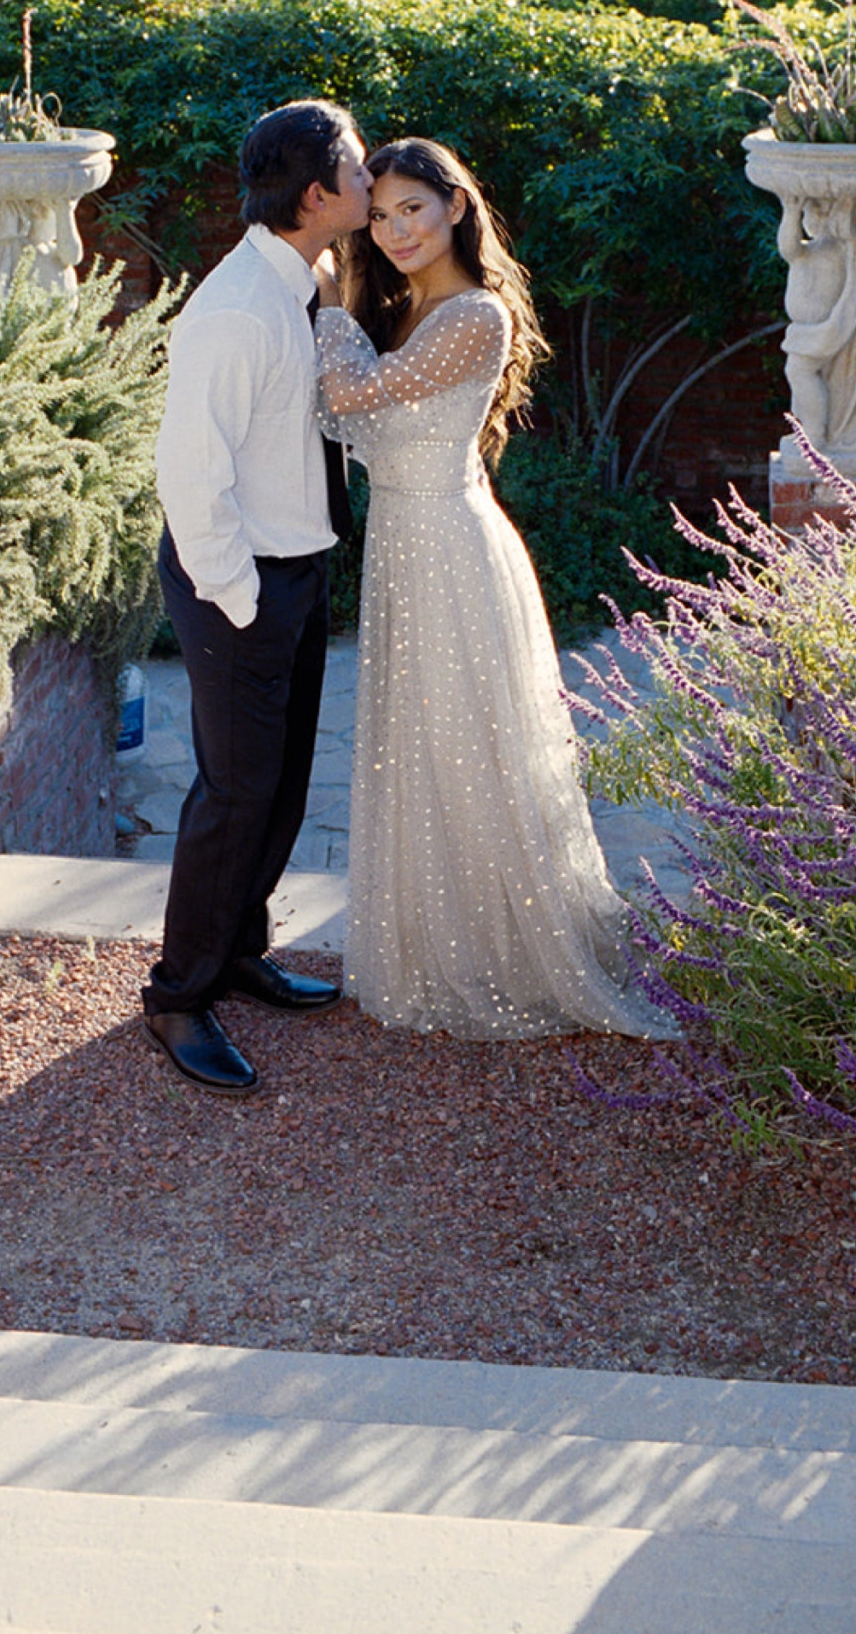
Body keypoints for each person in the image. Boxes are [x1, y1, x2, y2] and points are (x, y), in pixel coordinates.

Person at [314, 137, 663, 1039]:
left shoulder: (475, 315)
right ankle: (437, 942)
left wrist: (329, 307)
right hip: (403, 546)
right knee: (418, 746)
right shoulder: (401, 307)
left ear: (456, 207)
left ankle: (507, 952)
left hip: (452, 550)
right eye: (379, 216)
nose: (395, 231)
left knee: (468, 744)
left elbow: (351, 396)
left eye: (412, 209)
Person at [146, 98, 373, 1093]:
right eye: (357, 170)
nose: (371, 181)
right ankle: (177, 996)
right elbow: (190, 476)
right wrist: (241, 601)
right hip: (238, 581)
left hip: (294, 567)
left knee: (277, 787)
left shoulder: (299, 282)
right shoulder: (237, 309)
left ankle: (238, 953)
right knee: (234, 791)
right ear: (316, 195)